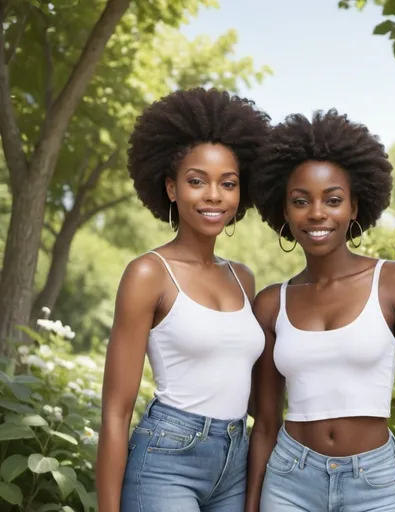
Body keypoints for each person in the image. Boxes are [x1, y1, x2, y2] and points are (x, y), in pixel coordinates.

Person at [246, 110, 395, 512]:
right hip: (288, 483)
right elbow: (264, 424)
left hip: (373, 484)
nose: (317, 213)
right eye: (301, 201)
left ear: (354, 207)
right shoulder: (270, 303)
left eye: (333, 200)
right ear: (284, 211)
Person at [96, 88, 270, 512]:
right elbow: (116, 411)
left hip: (235, 460)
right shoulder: (148, 274)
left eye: (227, 184)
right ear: (171, 187)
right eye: (197, 181)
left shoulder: (242, 279)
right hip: (167, 458)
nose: (214, 195)